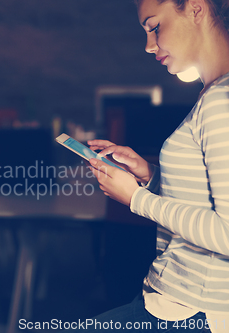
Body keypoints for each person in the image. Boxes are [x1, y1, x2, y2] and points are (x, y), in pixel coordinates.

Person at [76, 0, 229, 331]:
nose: (149, 45)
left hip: (192, 311)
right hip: (178, 303)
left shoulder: (220, 101)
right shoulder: (213, 94)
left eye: (155, 26)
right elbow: (206, 199)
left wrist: (136, 199)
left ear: (196, 9)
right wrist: (151, 175)